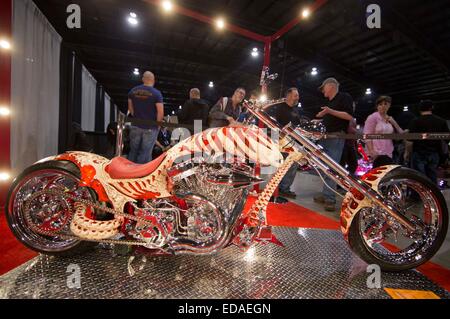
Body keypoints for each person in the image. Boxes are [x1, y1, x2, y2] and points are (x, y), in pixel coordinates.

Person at [314, 78, 354, 211]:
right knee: (324, 167)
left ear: (330, 85)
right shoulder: (330, 103)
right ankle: (326, 194)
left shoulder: (344, 97)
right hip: (326, 137)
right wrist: (319, 121)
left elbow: (349, 116)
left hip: (336, 137)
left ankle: (330, 198)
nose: (322, 90)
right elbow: (331, 119)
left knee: (331, 167)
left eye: (323, 87)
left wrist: (328, 111)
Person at [267, 88, 301, 199]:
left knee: (293, 163)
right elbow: (272, 124)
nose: (297, 97)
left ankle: (284, 188)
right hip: (279, 139)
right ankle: (272, 187)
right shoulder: (279, 107)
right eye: (296, 95)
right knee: (275, 164)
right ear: (289, 95)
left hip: (292, 140)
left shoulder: (295, 111)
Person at [406, 100, 450, 185]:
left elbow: (409, 141)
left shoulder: (415, 121)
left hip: (418, 153)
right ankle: (432, 196)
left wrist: (407, 153)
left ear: (420, 109)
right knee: (432, 177)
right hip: (434, 154)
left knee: (419, 178)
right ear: (431, 108)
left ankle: (419, 197)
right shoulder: (441, 121)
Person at [127, 71, 164, 164]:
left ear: (143, 79)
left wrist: (137, 116)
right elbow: (160, 112)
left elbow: (130, 109)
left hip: (135, 125)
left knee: (133, 152)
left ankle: (127, 173)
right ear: (153, 80)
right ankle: (140, 175)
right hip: (150, 128)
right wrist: (158, 125)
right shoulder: (156, 93)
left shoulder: (132, 91)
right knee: (145, 154)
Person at [363, 96, 404, 161]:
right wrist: (371, 151)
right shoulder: (372, 117)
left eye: (385, 104)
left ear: (389, 105)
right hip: (375, 151)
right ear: (377, 106)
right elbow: (367, 135)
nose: (383, 106)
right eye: (380, 104)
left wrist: (394, 123)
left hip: (388, 152)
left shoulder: (390, 119)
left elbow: (401, 133)